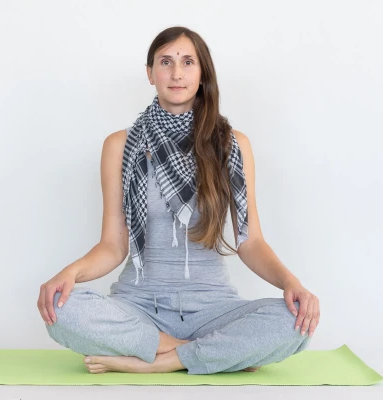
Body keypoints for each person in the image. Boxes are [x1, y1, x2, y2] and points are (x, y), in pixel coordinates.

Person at [36, 26, 320, 375]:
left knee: (291, 321)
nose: (176, 73)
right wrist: (70, 273)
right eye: (165, 62)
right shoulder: (120, 146)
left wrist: (292, 285)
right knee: (62, 309)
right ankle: (207, 354)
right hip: (140, 306)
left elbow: (251, 242)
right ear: (150, 73)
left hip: (214, 308)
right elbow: (113, 246)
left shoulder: (233, 144)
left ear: (202, 75)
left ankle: (155, 363)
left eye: (188, 62)